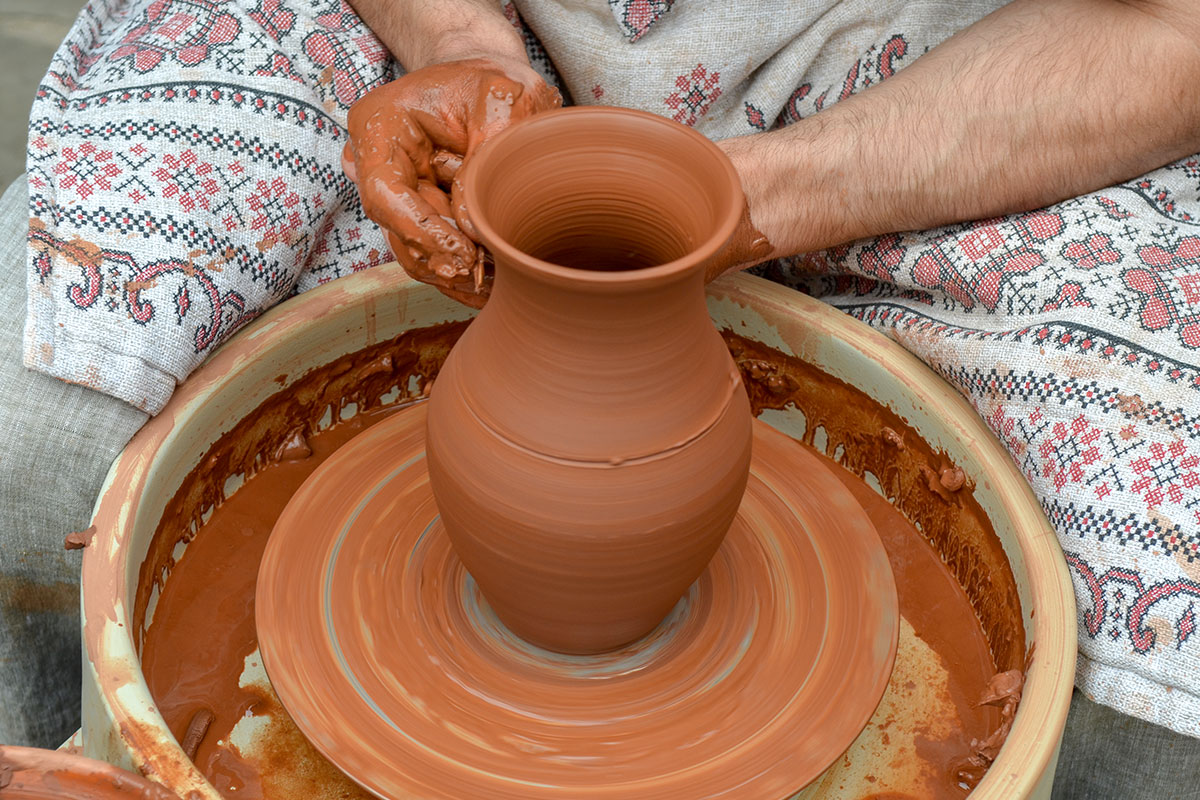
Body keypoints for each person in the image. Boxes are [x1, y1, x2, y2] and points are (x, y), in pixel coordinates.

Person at [2, 0, 1198, 795]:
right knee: (28, 443)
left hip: (949, 90)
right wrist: (463, 47)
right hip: (467, 48)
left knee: (1154, 704)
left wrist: (744, 197)